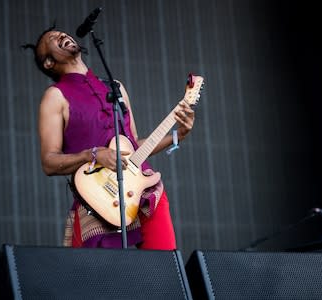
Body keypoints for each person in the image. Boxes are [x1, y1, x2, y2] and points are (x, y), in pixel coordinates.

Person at [22, 25, 195, 250]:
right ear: (48, 62)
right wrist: (92, 155)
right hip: (99, 198)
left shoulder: (116, 88)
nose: (62, 35)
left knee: (164, 270)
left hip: (144, 190)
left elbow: (133, 144)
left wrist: (177, 135)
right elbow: (49, 161)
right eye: (53, 38)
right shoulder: (55, 97)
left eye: (63, 33)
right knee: (108, 281)